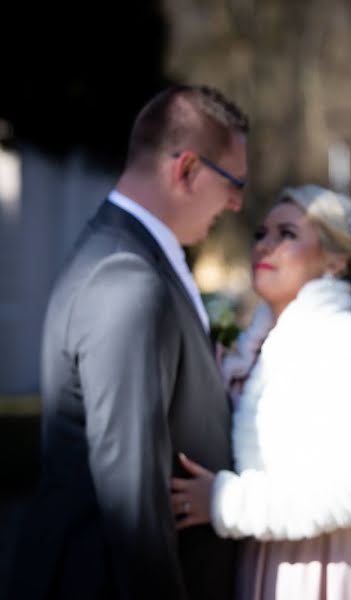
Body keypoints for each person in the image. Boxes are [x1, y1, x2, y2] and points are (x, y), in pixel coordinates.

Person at [9, 85, 249, 600]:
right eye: (233, 183)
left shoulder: (137, 257)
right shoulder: (127, 280)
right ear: (186, 169)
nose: (235, 203)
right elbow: (130, 501)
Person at [171, 185, 351, 600]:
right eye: (261, 233)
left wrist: (226, 502)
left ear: (335, 261)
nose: (265, 245)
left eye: (287, 234)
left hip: (329, 570)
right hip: (260, 562)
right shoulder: (257, 351)